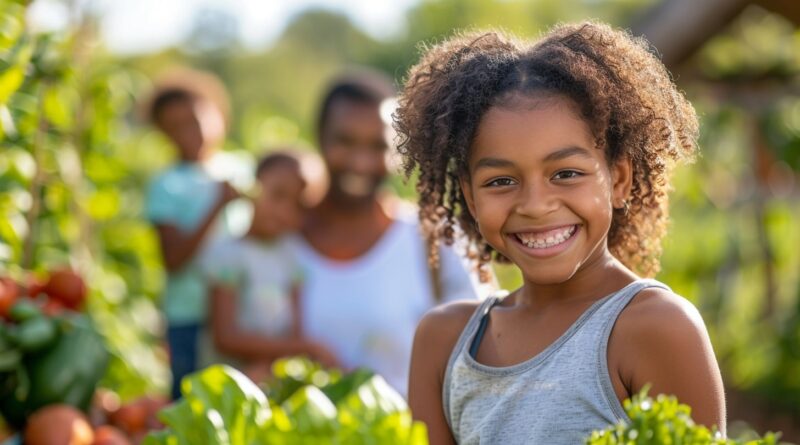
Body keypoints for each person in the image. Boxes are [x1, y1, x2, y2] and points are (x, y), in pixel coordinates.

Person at [395, 22, 726, 444]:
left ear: (619, 179)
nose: (535, 205)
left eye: (566, 173)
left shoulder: (655, 327)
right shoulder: (444, 342)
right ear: (471, 198)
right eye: (500, 181)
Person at [289, 70, 490, 397]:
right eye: (345, 141)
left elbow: (484, 351)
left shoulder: (435, 239)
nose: (360, 161)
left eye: (377, 145)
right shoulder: (280, 242)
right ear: (320, 139)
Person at [143, 72, 251, 400]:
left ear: (217, 114)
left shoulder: (241, 167)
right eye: (174, 127)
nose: (189, 132)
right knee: (190, 400)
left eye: (195, 120)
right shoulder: (165, 185)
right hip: (190, 316)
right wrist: (217, 205)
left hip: (239, 313)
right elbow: (173, 260)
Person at [199, 151, 337, 379]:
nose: (284, 211)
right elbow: (224, 337)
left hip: (273, 378)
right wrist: (304, 348)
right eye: (277, 195)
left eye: (298, 205)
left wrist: (283, 360)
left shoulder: (294, 255)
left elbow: (295, 327)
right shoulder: (227, 255)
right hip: (227, 383)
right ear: (254, 187)